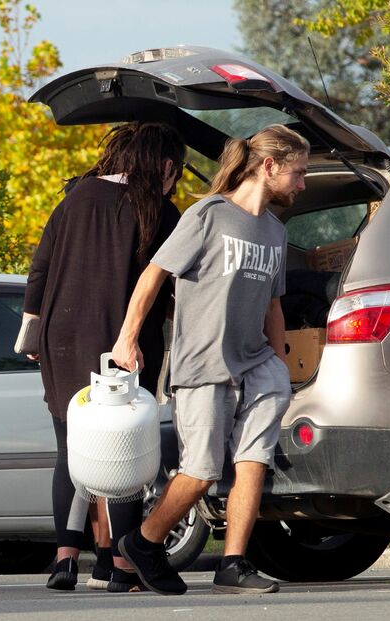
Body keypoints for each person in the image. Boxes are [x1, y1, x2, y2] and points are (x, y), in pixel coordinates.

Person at [111, 125, 310, 596]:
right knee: (200, 473)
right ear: (269, 166)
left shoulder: (276, 232)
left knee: (254, 459)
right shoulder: (208, 215)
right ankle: (143, 541)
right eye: (298, 173)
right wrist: (127, 338)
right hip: (202, 365)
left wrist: (279, 362)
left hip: (256, 363)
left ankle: (234, 563)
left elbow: (273, 305)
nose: (302, 184)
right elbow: (154, 274)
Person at [23, 121, 187, 592]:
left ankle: (64, 560)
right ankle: (121, 568)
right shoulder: (158, 209)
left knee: (68, 451)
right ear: (167, 166)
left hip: (62, 338)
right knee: (125, 455)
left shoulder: (74, 199)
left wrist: (33, 337)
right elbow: (173, 282)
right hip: (123, 342)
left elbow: (40, 271)